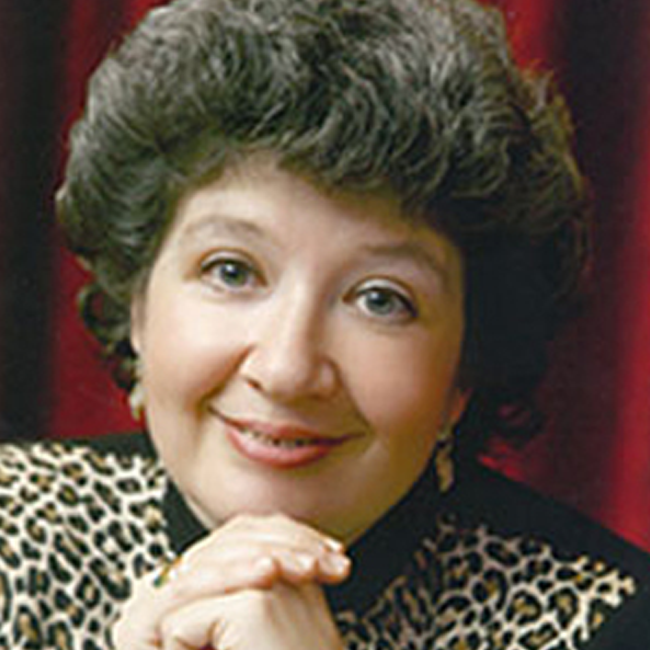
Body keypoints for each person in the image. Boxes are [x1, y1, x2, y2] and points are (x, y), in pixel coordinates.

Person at [0, 0, 648, 647]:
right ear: (138, 303)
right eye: (232, 271)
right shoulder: (14, 536)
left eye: (380, 300)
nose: (287, 370)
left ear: (465, 369)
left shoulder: (607, 622)